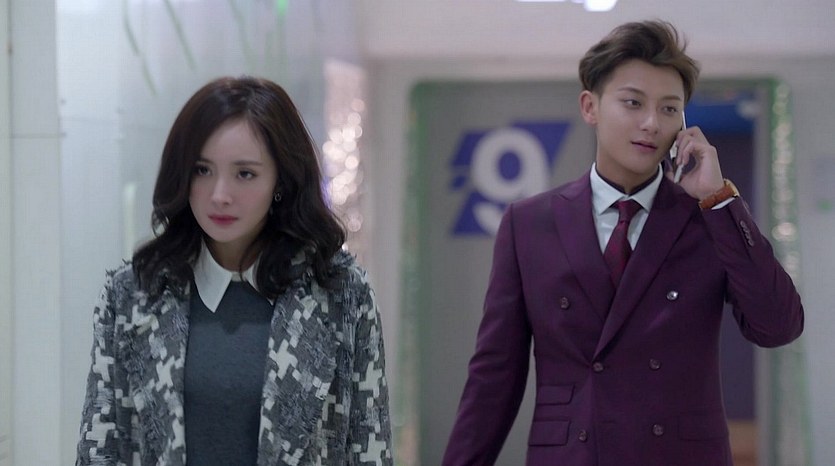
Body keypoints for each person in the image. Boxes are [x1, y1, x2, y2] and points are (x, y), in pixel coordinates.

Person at [443, 20, 803, 466]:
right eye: (633, 103)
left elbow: (778, 326)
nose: (651, 123)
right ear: (590, 106)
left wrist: (718, 199)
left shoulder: (708, 218)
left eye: (669, 109)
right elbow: (495, 375)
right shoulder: (530, 223)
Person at [76, 76, 392, 466]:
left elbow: (369, 448)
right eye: (202, 170)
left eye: (245, 174)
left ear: (280, 180)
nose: (220, 195)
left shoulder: (341, 294)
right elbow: (99, 451)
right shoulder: (133, 294)